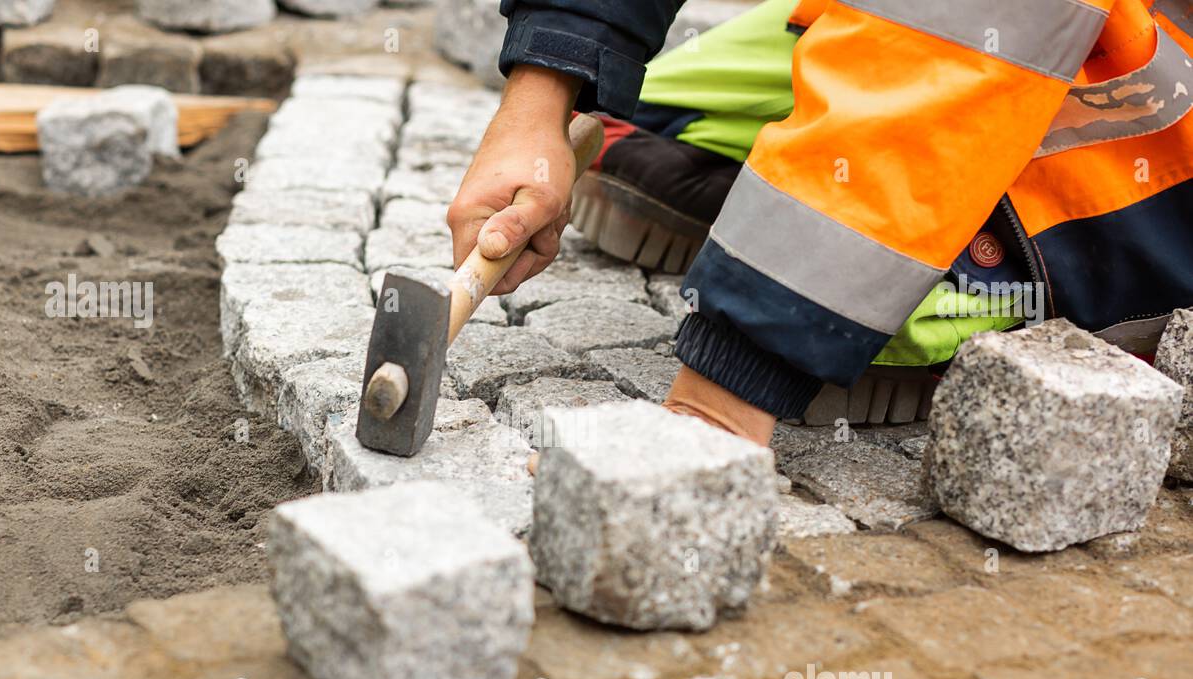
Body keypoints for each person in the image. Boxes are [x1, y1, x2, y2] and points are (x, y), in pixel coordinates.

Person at [447, 0, 1193, 446]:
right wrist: (543, 95)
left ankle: (847, 265)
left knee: (878, 300)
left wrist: (722, 398)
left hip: (1160, 95)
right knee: (661, 118)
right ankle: (774, 218)